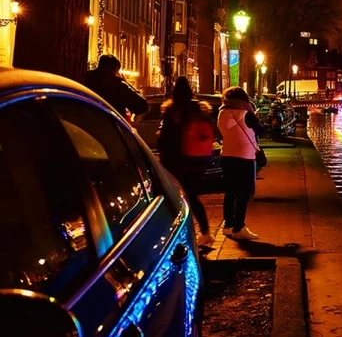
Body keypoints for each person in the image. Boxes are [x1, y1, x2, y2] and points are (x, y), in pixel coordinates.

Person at [157, 77, 216, 246]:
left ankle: (180, 233)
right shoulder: (199, 109)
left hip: (174, 160)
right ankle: (205, 232)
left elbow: (165, 137)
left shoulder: (171, 110)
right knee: (192, 196)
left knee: (174, 197)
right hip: (196, 160)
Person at [218, 86, 266, 240]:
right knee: (244, 193)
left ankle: (228, 225)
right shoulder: (247, 113)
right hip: (245, 157)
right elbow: (261, 131)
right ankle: (239, 227)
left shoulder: (221, 113)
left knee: (230, 192)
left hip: (226, 155)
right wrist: (256, 117)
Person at [85, 54, 149, 120]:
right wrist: (126, 83)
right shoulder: (118, 85)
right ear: (115, 69)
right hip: (110, 124)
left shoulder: (86, 78)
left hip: (85, 123)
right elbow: (142, 104)